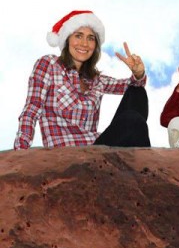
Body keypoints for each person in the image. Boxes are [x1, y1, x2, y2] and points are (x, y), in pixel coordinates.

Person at [14, 10, 150, 150]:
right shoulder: (49, 64)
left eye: (91, 38)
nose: (84, 44)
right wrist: (20, 150)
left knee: (137, 92)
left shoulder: (96, 80)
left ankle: (136, 162)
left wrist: (138, 73)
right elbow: (32, 109)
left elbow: (133, 84)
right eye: (78, 36)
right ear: (67, 39)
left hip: (96, 148)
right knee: (132, 121)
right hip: (66, 153)